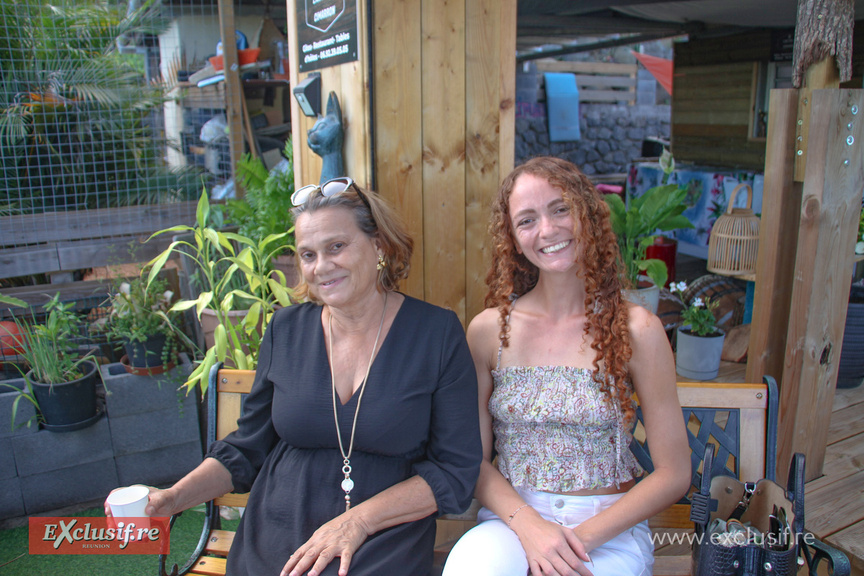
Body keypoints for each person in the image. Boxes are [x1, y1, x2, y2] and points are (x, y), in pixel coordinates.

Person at [106, 177, 482, 576]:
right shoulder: (285, 329)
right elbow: (245, 449)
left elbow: (455, 470)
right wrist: (172, 498)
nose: (321, 267)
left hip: (381, 537)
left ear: (378, 245)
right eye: (308, 254)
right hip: (277, 534)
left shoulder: (436, 333)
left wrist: (356, 522)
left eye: (336, 247)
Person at [442, 157, 691, 576]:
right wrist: (531, 527)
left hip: (607, 527)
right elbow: (474, 460)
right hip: (514, 523)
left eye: (560, 209)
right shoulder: (489, 332)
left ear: (587, 213)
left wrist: (576, 542)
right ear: (513, 238)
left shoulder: (638, 330)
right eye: (527, 220)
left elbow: (674, 472)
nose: (547, 229)